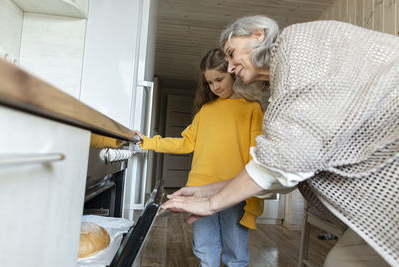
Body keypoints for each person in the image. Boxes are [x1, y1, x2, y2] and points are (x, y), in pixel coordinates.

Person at [161, 15, 398, 267]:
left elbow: (284, 159)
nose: (229, 67)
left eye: (231, 53)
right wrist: (207, 189)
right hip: (378, 210)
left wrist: (211, 203)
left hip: (386, 190)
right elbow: (279, 171)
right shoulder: (281, 95)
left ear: (257, 34)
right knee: (342, 261)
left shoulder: (297, 43)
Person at [135, 47, 265, 267]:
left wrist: (252, 195)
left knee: (236, 252)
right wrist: (149, 142)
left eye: (219, 79)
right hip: (199, 189)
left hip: (235, 191)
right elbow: (185, 143)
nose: (215, 87)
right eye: (210, 83)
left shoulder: (252, 109)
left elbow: (258, 156)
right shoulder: (206, 111)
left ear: (234, 72)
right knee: (204, 248)